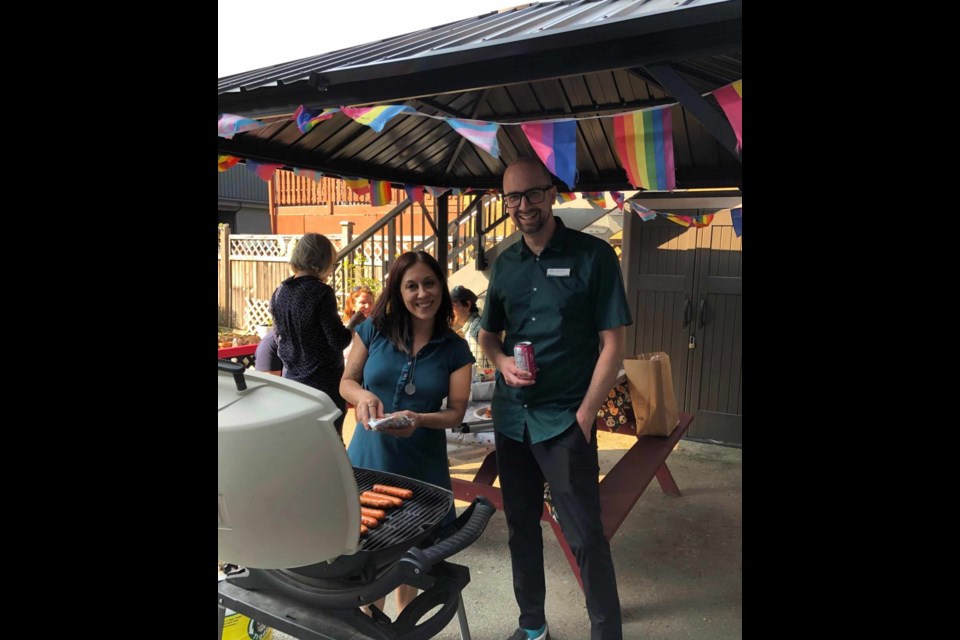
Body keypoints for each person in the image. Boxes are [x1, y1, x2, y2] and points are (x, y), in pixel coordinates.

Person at [478, 157, 632, 640]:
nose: (523, 206)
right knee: (521, 528)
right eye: (513, 198)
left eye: (532, 194)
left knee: (585, 535)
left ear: (552, 193)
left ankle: (606, 633)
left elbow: (613, 345)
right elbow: (488, 335)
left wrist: (585, 416)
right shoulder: (505, 263)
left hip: (564, 420)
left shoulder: (594, 256)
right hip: (512, 420)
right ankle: (533, 627)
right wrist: (501, 362)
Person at [340, 251, 474, 614]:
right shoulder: (373, 330)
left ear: (440, 288)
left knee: (410, 560)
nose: (421, 293)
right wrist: (363, 395)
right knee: (365, 562)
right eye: (411, 285)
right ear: (398, 291)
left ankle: (403, 626)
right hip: (368, 460)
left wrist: (420, 419)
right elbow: (347, 382)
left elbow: (456, 412)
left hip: (422, 468)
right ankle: (371, 625)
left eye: (429, 283)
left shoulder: (456, 348)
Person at [270, 233, 365, 437]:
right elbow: (338, 340)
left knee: (302, 439)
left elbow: (279, 337)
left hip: (292, 379)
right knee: (330, 441)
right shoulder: (321, 292)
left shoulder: (280, 292)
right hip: (324, 382)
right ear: (324, 260)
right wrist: (354, 324)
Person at [450, 284, 492, 370]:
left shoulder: (474, 331)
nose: (449, 311)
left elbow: (478, 371)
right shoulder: (473, 326)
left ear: (468, 305)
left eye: (452, 306)